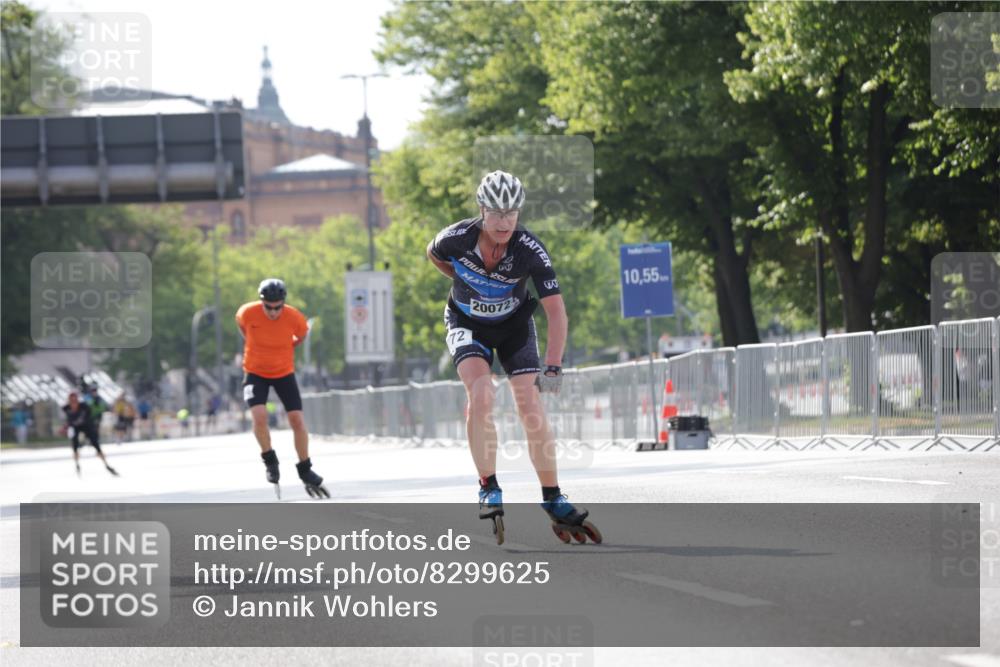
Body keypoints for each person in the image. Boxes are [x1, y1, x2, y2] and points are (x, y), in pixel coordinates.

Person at [425, 170, 601, 544]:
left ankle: (553, 497)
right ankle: (488, 486)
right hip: (466, 321)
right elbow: (433, 254)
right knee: (482, 395)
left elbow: (556, 311)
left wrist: (553, 365)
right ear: (481, 210)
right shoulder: (455, 238)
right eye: (496, 213)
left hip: (514, 325)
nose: (504, 221)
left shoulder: (529, 249)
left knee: (530, 406)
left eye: (511, 213)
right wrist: (462, 281)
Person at [236, 278, 328, 499]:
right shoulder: (247, 313)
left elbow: (301, 335)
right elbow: (243, 328)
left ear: (283, 303)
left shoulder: (294, 317)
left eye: (278, 307)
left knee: (296, 419)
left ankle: (305, 468)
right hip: (255, 372)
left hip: (284, 372)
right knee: (259, 416)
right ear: (262, 302)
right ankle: (270, 459)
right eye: (268, 306)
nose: (273, 312)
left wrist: (286, 346)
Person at [63, 391, 118, 477]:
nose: (73, 403)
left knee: (95, 443)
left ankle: (106, 464)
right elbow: (68, 420)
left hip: (87, 426)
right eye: (71, 401)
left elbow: (90, 417)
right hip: (75, 427)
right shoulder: (66, 408)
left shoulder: (84, 407)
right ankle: (77, 464)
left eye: (75, 400)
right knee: (75, 445)